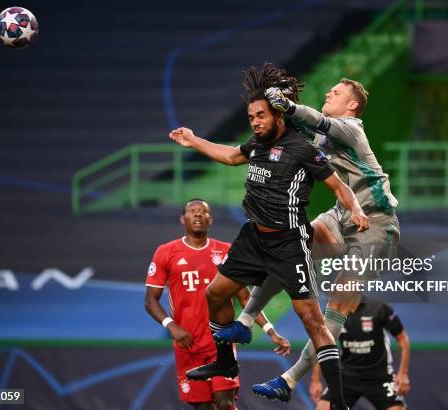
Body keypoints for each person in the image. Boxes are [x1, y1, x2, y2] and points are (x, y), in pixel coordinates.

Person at [168, 63, 370, 410]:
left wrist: (356, 209)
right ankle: (225, 362)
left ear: (278, 114)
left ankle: (338, 402)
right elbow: (231, 156)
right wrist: (194, 141)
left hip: (289, 243)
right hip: (253, 238)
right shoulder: (257, 143)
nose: (256, 122)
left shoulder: (303, 149)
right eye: (250, 117)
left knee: (313, 322)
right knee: (214, 295)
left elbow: (338, 186)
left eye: (261, 115)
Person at [214, 77, 401, 402]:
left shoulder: (351, 127)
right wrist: (277, 105)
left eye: (337, 92)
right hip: (341, 214)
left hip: (376, 224)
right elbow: (288, 133)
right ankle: (244, 321)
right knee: (290, 247)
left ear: (352, 104)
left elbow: (316, 118)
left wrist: (290, 106)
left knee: (336, 307)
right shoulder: (317, 135)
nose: (330, 93)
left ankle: (289, 378)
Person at [144, 198, 291, 410]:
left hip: (220, 342)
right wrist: (172, 327)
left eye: (202, 211)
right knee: (202, 406)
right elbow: (150, 300)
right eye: (192, 211)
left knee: (225, 403)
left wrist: (270, 331)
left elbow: (245, 297)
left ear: (210, 220)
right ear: (182, 219)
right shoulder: (166, 252)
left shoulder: (226, 251)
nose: (197, 214)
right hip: (188, 343)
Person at [310, 295, 410, 410]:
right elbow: (322, 345)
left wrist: (403, 373)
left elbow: (403, 340)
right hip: (347, 376)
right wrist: (315, 380)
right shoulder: (332, 312)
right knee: (323, 408)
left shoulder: (379, 308)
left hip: (379, 376)